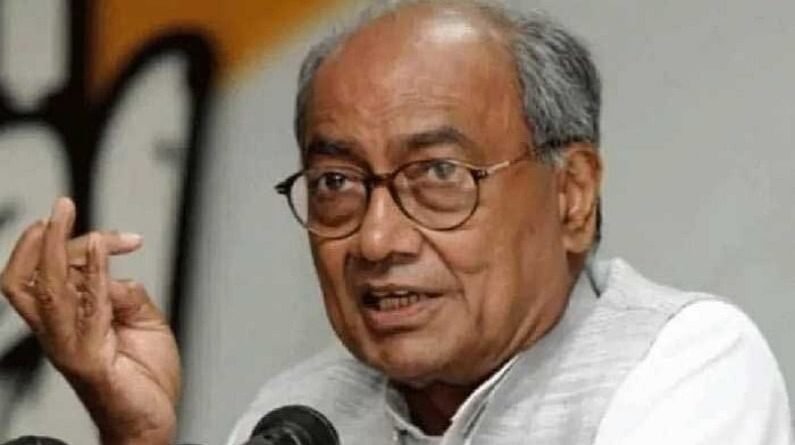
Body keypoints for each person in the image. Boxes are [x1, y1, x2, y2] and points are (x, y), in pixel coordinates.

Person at [1, 1, 792, 444]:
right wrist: (136, 438)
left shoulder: (684, 363)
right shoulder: (302, 415)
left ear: (571, 194)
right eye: (336, 183)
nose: (376, 240)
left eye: (437, 175)